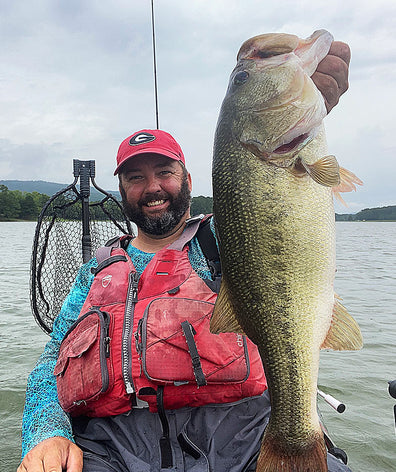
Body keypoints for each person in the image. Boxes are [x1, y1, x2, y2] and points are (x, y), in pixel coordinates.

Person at [18, 41, 352, 472]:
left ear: (188, 178)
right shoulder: (95, 271)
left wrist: (309, 104)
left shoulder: (223, 237)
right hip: (113, 447)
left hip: (242, 438)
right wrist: (47, 432)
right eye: (136, 177)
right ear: (122, 191)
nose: (152, 187)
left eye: (164, 172)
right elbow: (51, 362)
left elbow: (273, 207)